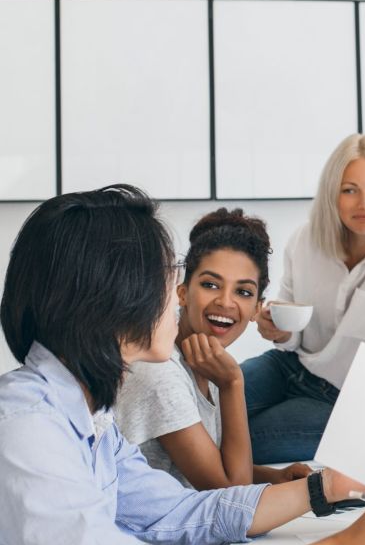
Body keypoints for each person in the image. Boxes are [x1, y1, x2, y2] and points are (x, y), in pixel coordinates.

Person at [0, 185, 365, 545]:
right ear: (113, 297)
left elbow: (179, 513)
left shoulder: (88, 416)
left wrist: (326, 487)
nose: (173, 300)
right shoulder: (27, 430)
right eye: (166, 279)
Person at [242, 134, 365, 463]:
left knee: (240, 441)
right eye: (350, 190)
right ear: (333, 193)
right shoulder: (304, 240)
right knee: (206, 405)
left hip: (348, 402)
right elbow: (291, 337)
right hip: (290, 366)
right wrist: (279, 330)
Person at [116, 208, 310, 496]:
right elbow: (232, 496)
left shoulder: (204, 358)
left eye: (243, 292)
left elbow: (212, 466)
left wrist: (273, 478)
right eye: (210, 285)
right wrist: (232, 384)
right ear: (182, 292)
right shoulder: (161, 372)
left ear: (257, 308)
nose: (226, 302)